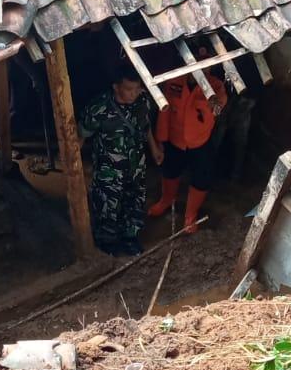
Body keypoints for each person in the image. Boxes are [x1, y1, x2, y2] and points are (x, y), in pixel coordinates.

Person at [79, 65, 162, 255]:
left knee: (135, 201)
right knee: (108, 205)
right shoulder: (99, 107)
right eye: (128, 89)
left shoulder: (142, 101)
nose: (133, 93)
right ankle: (107, 243)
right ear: (116, 87)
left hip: (136, 166)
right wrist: (74, 165)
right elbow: (81, 135)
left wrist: (155, 148)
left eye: (137, 88)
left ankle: (130, 238)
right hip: (109, 170)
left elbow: (145, 126)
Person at [147, 52, 227, 233]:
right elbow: (164, 112)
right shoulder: (175, 81)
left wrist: (212, 99)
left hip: (200, 142)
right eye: (199, 63)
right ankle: (166, 200)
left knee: (201, 177)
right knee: (169, 171)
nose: (203, 68)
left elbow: (219, 106)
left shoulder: (215, 86)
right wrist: (161, 140)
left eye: (207, 65)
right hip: (175, 141)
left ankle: (190, 215)